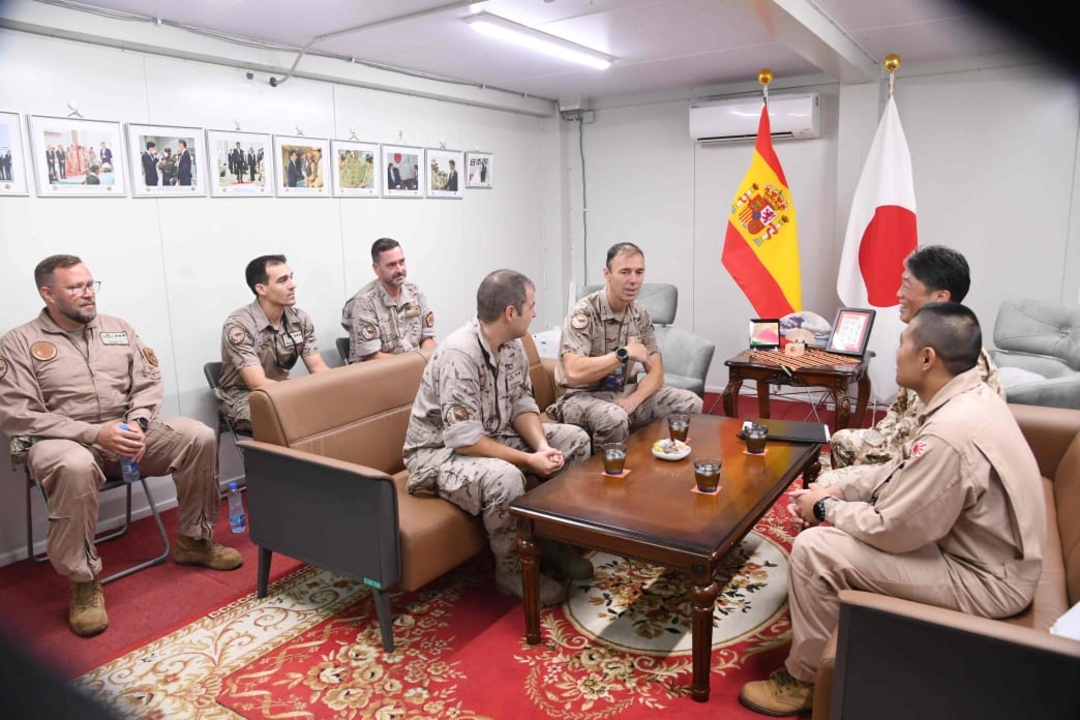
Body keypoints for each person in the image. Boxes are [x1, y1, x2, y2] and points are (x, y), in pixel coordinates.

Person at [738, 302, 1045, 717]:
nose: (896, 350)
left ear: (927, 358)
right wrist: (840, 486)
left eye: (903, 342)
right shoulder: (967, 395)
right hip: (977, 549)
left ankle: (805, 679)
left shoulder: (951, 434)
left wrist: (826, 509)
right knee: (835, 490)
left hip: (986, 579)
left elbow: (894, 529)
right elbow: (902, 468)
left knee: (816, 548)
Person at [0, 255, 242, 638]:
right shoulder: (19, 342)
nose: (88, 294)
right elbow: (18, 414)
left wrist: (139, 423)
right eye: (75, 287)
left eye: (91, 284)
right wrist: (95, 434)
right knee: (76, 464)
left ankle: (195, 540)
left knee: (197, 436)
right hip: (63, 443)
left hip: (127, 436)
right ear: (48, 293)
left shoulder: (117, 329)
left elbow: (147, 382)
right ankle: (83, 582)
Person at [403, 269, 593, 606]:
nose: (534, 313)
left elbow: (522, 403)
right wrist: (527, 460)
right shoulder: (460, 354)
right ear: (510, 312)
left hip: (494, 435)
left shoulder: (513, 345)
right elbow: (464, 440)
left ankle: (551, 542)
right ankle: (511, 571)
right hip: (438, 455)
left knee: (574, 441)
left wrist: (542, 447)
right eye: (531, 306)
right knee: (505, 477)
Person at [827, 245, 1004, 473]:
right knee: (842, 441)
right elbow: (898, 412)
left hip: (940, 463)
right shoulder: (927, 340)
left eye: (907, 285)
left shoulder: (956, 356)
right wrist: (868, 451)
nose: (898, 293)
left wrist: (862, 471)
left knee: (826, 488)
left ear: (940, 297)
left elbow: (920, 439)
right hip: (910, 445)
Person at [548, 242, 702, 454]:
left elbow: (656, 374)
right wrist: (623, 354)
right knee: (615, 417)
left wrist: (633, 400)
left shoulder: (640, 314)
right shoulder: (583, 313)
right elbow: (574, 373)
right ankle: (605, 477)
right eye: (625, 272)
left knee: (689, 403)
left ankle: (658, 461)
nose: (633, 280)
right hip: (579, 397)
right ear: (607, 273)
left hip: (622, 392)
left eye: (639, 272)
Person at [215, 255, 331, 433]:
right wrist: (301, 396)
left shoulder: (299, 319)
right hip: (243, 398)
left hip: (281, 393)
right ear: (261, 288)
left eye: (291, 277)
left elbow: (318, 368)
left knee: (333, 411)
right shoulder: (239, 324)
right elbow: (257, 383)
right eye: (282, 280)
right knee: (297, 418)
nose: (292, 285)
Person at [341, 238, 436, 363]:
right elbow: (372, 357)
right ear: (376, 268)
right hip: (378, 375)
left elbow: (427, 339)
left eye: (401, 262)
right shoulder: (364, 302)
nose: (399, 269)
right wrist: (414, 364)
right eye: (391, 265)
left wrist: (425, 362)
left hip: (413, 369)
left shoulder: (415, 293)